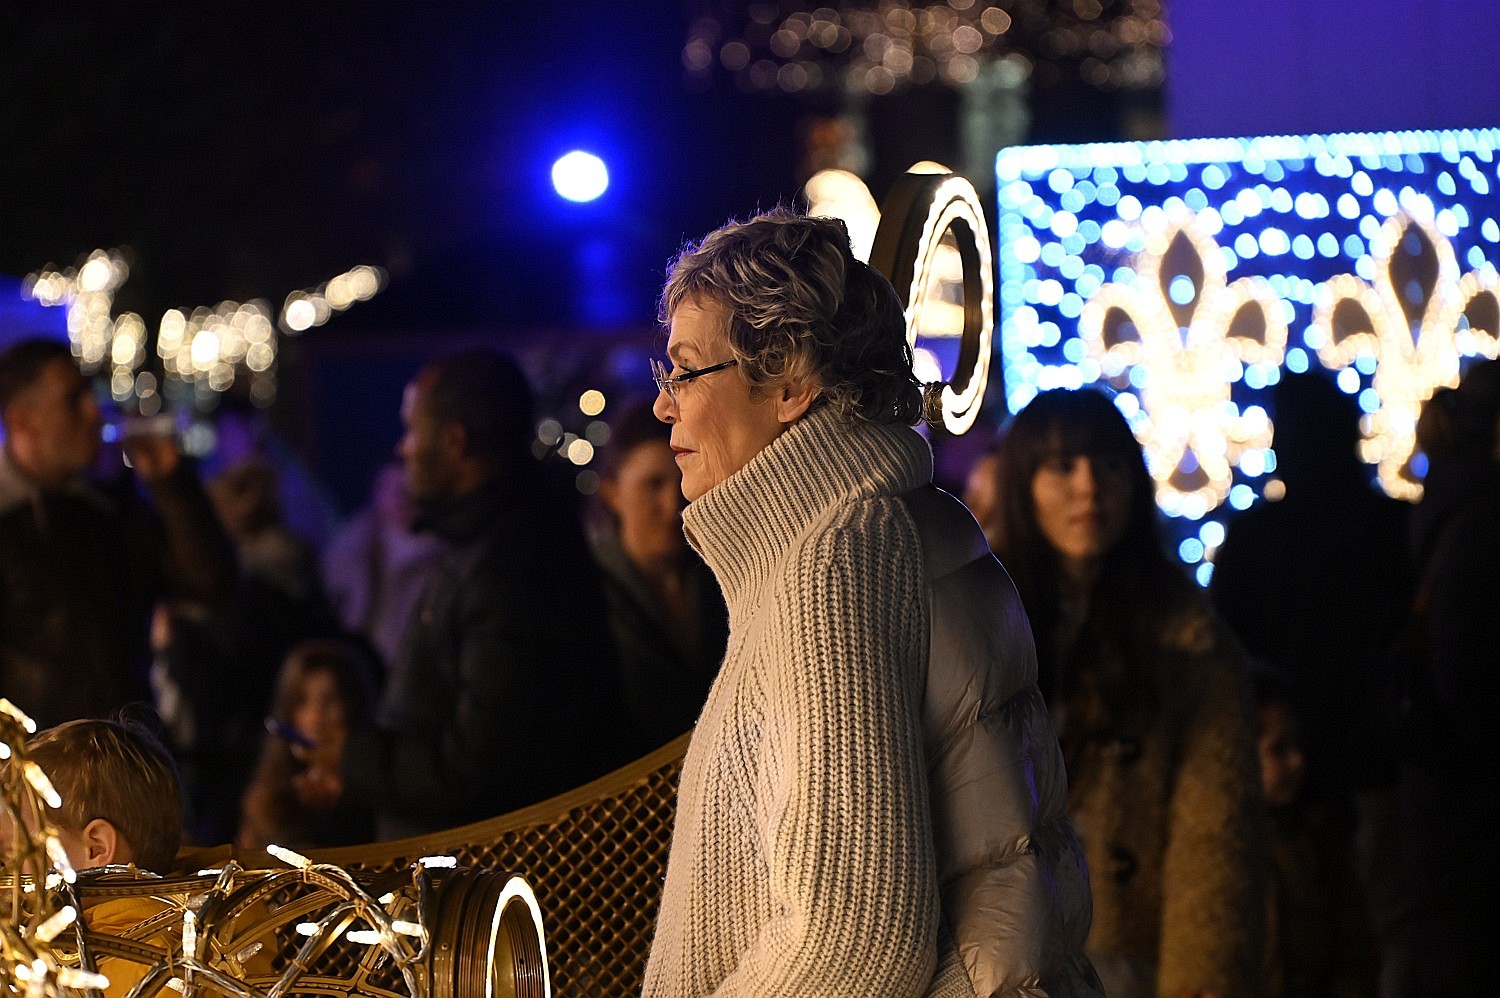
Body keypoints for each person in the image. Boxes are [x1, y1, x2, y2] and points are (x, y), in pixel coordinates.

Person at [641, 211, 1098, 997]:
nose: (664, 405)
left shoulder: (836, 563)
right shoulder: (892, 523)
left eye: (685, 371)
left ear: (790, 383)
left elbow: (853, 941)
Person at [989, 386, 1266, 998]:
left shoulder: (1186, 635)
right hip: (1001, 950)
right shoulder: (977, 617)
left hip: (1129, 955)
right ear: (1022, 482)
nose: (1089, 487)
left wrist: (1202, 974)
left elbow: (1214, 830)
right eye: (1062, 465)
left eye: (1110, 465)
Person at [337, 349, 637, 839]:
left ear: (455, 443)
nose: (402, 449)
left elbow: (479, 766)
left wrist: (351, 758)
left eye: (412, 430)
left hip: (494, 874)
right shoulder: (485, 544)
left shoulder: (513, 566)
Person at [0, 338, 235, 728]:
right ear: (23, 422)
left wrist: (171, 486)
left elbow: (211, 584)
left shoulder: (109, 510)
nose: (94, 412)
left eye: (89, 394)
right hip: (39, 758)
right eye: (73, 400)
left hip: (125, 749)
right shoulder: (9, 520)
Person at [1393, 359, 1500, 998]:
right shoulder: (1481, 524)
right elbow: (1468, 676)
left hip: (1443, 800)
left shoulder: (1446, 505)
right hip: (1470, 806)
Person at [590, 400, 727, 748]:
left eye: (681, 482)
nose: (673, 505)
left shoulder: (720, 573)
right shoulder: (585, 592)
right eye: (652, 484)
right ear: (612, 492)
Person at [1254, 673, 1377, 998]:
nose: (1297, 760)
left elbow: (1353, 945)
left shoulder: (1317, 837)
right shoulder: (1224, 850)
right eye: (1278, 749)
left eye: (1297, 744)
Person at [237, 639, 376, 852]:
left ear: (353, 705)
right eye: (302, 700)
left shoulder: (374, 792)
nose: (316, 715)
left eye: (329, 700)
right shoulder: (266, 799)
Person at [321, 461, 444, 674]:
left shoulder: (439, 553)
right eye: (389, 489)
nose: (398, 499)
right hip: (358, 663)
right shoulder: (351, 547)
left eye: (405, 490)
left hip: (413, 664)